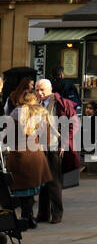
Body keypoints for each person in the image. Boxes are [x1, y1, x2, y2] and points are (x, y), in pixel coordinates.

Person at [4, 91, 56, 229]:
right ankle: (29, 216)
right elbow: (47, 139)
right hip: (36, 156)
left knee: (21, 190)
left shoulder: (15, 114)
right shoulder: (42, 113)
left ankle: (26, 217)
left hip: (18, 157)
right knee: (30, 190)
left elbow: (5, 138)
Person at [34, 78, 76, 223]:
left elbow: (73, 124)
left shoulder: (60, 103)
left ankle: (57, 212)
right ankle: (42, 213)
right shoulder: (36, 104)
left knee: (54, 181)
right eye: (37, 89)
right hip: (39, 147)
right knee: (42, 181)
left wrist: (64, 144)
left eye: (42, 90)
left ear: (50, 89)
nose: (39, 92)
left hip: (55, 146)